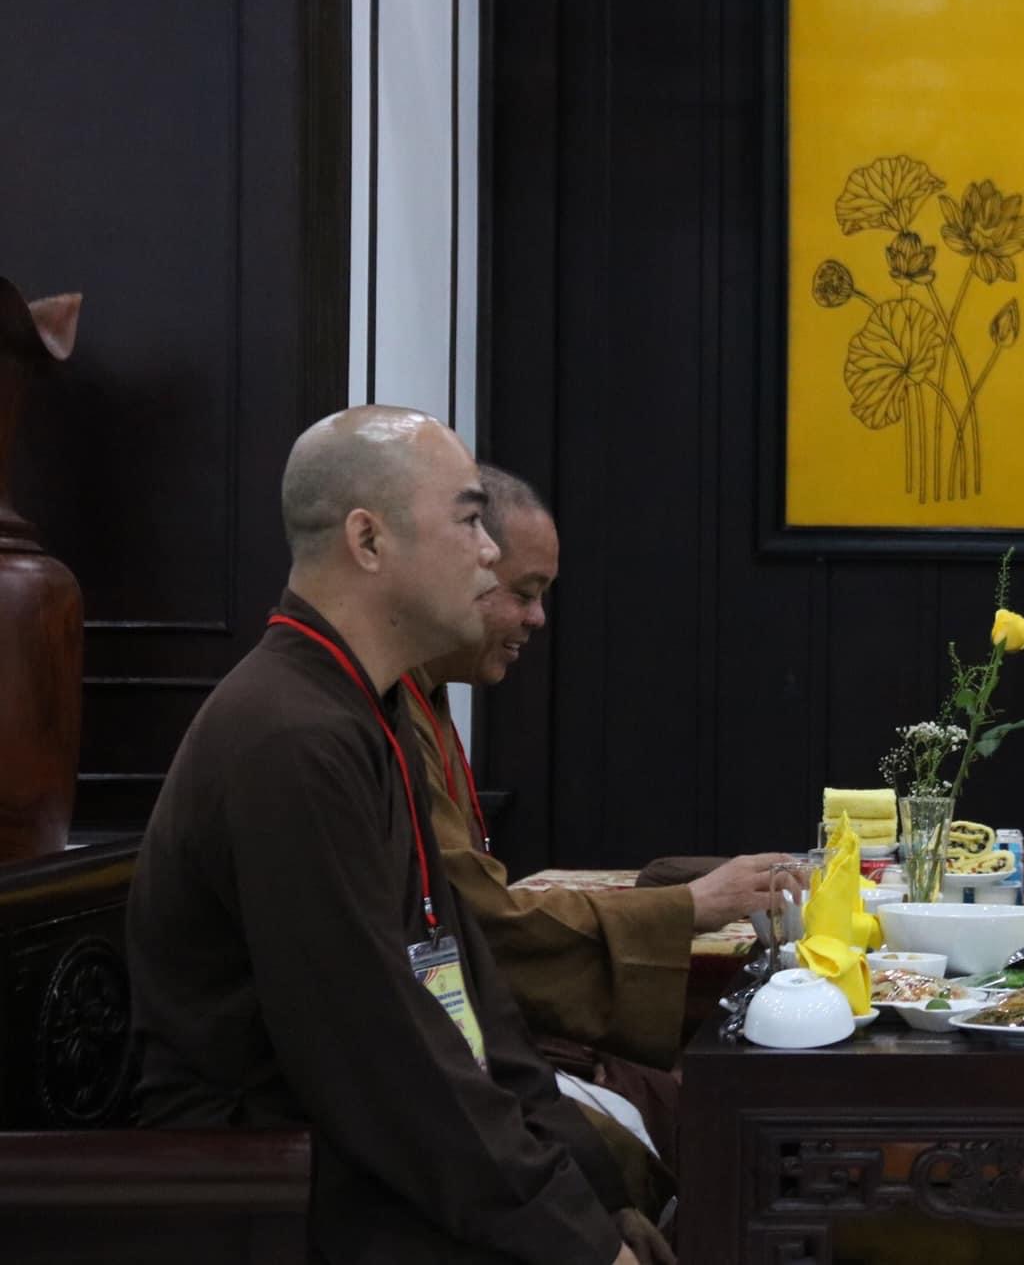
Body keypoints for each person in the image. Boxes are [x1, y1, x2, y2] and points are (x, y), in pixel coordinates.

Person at [128, 407, 667, 1265]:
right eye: (468, 520)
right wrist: (572, 1237)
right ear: (368, 540)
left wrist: (581, 1185)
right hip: (273, 1180)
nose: (489, 552)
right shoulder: (289, 737)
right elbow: (379, 1054)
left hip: (369, 1146)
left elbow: (469, 997)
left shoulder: (365, 708)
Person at [397, 465, 787, 1212]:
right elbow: (467, 920)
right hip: (406, 1071)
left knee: (684, 1101)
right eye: (523, 592)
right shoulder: (344, 719)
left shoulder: (420, 702)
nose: (538, 619)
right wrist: (689, 907)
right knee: (660, 1131)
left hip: (461, 1032)